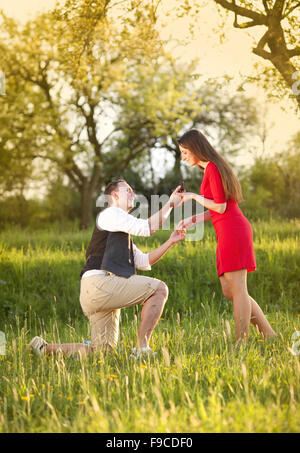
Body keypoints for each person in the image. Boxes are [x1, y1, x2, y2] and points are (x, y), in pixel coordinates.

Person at [27, 180, 185, 358]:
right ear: (115, 195)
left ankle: (42, 348)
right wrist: (170, 204)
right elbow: (147, 228)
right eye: (129, 190)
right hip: (100, 284)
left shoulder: (118, 227)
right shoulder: (111, 213)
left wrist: (170, 242)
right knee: (159, 289)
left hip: (95, 290)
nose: (134, 194)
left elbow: (143, 261)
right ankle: (142, 349)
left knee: (103, 353)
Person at [176, 129, 276, 342]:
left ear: (195, 149)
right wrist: (190, 220)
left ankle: (242, 342)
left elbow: (220, 207)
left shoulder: (212, 168)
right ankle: (269, 334)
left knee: (238, 288)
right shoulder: (210, 169)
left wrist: (193, 196)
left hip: (233, 230)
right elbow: (217, 208)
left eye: (185, 152)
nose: (183, 157)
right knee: (230, 290)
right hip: (227, 230)